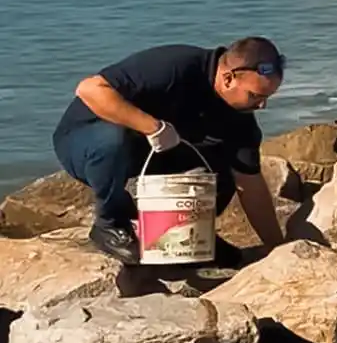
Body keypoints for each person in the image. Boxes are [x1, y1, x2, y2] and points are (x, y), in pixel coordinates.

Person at [53, 37, 289, 265]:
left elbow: (250, 184)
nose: (262, 105)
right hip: (86, 141)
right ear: (228, 78)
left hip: (150, 151)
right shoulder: (174, 66)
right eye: (255, 95)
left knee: (220, 173)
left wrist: (277, 248)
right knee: (114, 140)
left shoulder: (240, 121)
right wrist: (152, 127)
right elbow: (90, 89)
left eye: (267, 97)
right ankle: (109, 224)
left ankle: (184, 233)